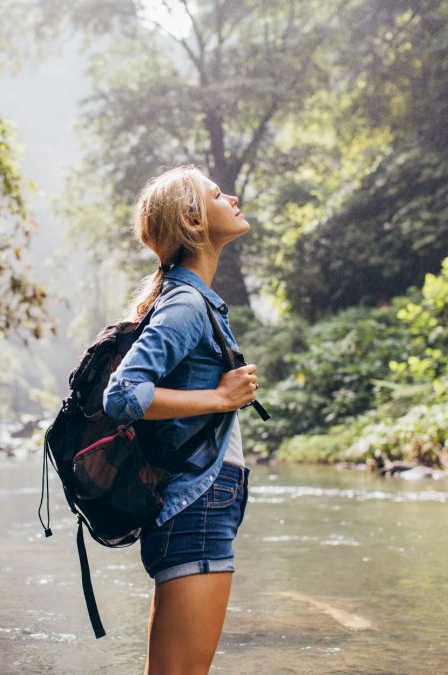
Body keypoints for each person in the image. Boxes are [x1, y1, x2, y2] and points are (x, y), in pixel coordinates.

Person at [102, 165, 259, 674]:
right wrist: (219, 398)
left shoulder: (192, 299)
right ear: (193, 220)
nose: (232, 197)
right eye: (218, 194)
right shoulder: (188, 302)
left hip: (200, 505)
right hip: (197, 508)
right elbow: (122, 395)